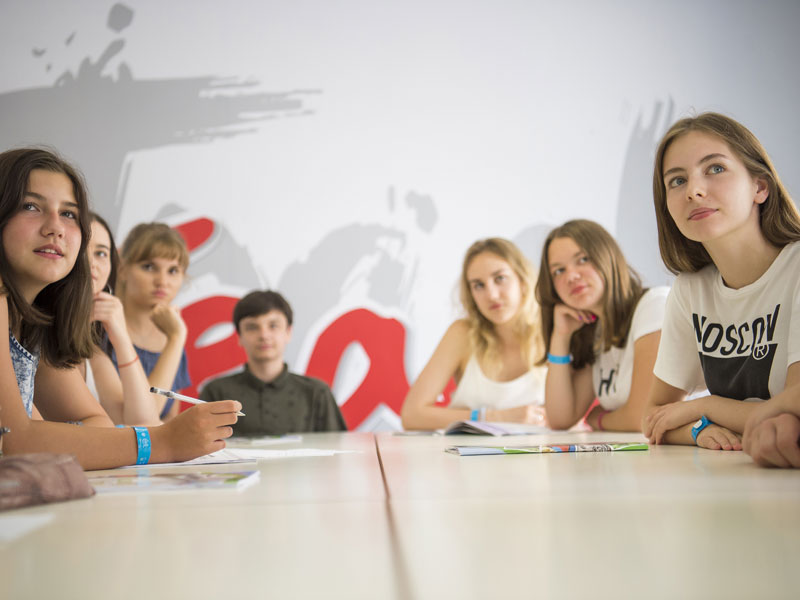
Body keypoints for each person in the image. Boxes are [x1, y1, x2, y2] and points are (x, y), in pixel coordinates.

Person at [0, 147, 241, 469]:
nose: (55, 227)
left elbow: (91, 421)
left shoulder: (35, 319)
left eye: (69, 214)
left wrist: (44, 435)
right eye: (31, 206)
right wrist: (164, 442)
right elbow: (16, 442)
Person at [642, 112, 800, 456]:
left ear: (760, 187)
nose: (694, 191)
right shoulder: (690, 289)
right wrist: (699, 429)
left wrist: (708, 406)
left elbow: (794, 410)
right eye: (676, 181)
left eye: (715, 169)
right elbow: (653, 416)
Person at [401, 238, 547, 431]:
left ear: (522, 280)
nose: (492, 295)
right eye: (478, 285)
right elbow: (412, 416)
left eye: (500, 278)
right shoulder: (462, 334)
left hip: (543, 457)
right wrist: (495, 417)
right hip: (469, 459)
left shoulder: (553, 331)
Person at [536, 219, 668, 431]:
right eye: (558, 271)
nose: (571, 276)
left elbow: (642, 418)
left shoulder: (654, 305)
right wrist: (560, 337)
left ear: (608, 257)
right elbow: (560, 419)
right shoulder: (598, 332)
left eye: (582, 259)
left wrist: (595, 419)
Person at [200, 290, 346, 435]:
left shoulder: (317, 393)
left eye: (273, 326)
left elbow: (339, 449)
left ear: (288, 332)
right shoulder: (216, 393)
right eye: (252, 327)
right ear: (239, 336)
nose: (264, 335)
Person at [77, 212, 161, 425]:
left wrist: (121, 337)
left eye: (101, 253)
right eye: (80, 248)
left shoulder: (93, 357)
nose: (92, 263)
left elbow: (143, 422)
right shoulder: (37, 336)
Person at [117, 222, 191, 420]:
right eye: (149, 267)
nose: (162, 281)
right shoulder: (103, 333)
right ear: (123, 270)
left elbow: (168, 424)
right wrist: (176, 338)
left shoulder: (173, 336)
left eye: (173, 270)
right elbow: (142, 421)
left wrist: (175, 339)